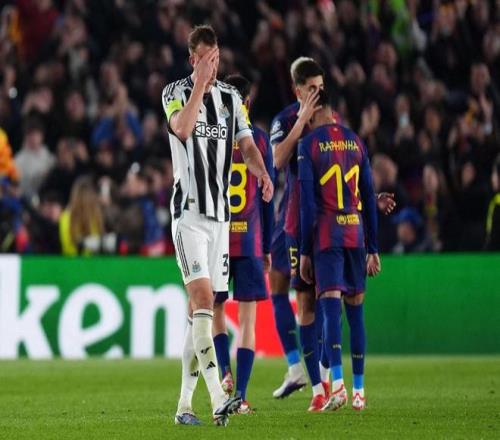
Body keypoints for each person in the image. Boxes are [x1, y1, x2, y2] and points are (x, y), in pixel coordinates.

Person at [162, 25, 273, 427]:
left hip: (221, 220)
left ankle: (183, 406)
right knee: (204, 299)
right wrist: (199, 85)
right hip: (189, 214)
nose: (213, 66)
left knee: (199, 312)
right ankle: (219, 398)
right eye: (206, 59)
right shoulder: (174, 93)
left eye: (217, 59)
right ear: (193, 59)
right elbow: (183, 128)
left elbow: (247, 144)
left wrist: (261, 172)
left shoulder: (231, 99)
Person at [299, 89, 381, 412]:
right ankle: (359, 390)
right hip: (355, 234)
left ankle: (338, 385)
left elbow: (307, 205)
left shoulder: (309, 145)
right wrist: (373, 247)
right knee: (356, 313)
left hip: (327, 236)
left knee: (331, 309)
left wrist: (304, 252)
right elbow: (369, 195)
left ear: (317, 108)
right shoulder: (356, 141)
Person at [212, 74, 275, 415]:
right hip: (250, 239)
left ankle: (224, 371)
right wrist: (267, 247)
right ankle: (242, 395)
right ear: (247, 102)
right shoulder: (260, 141)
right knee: (248, 322)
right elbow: (267, 197)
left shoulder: (212, 136)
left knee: (216, 310)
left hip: (218, 239)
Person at [485, 154, 500, 250]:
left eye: (494, 174)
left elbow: (494, 238)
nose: (492, 178)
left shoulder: (497, 203)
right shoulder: (494, 200)